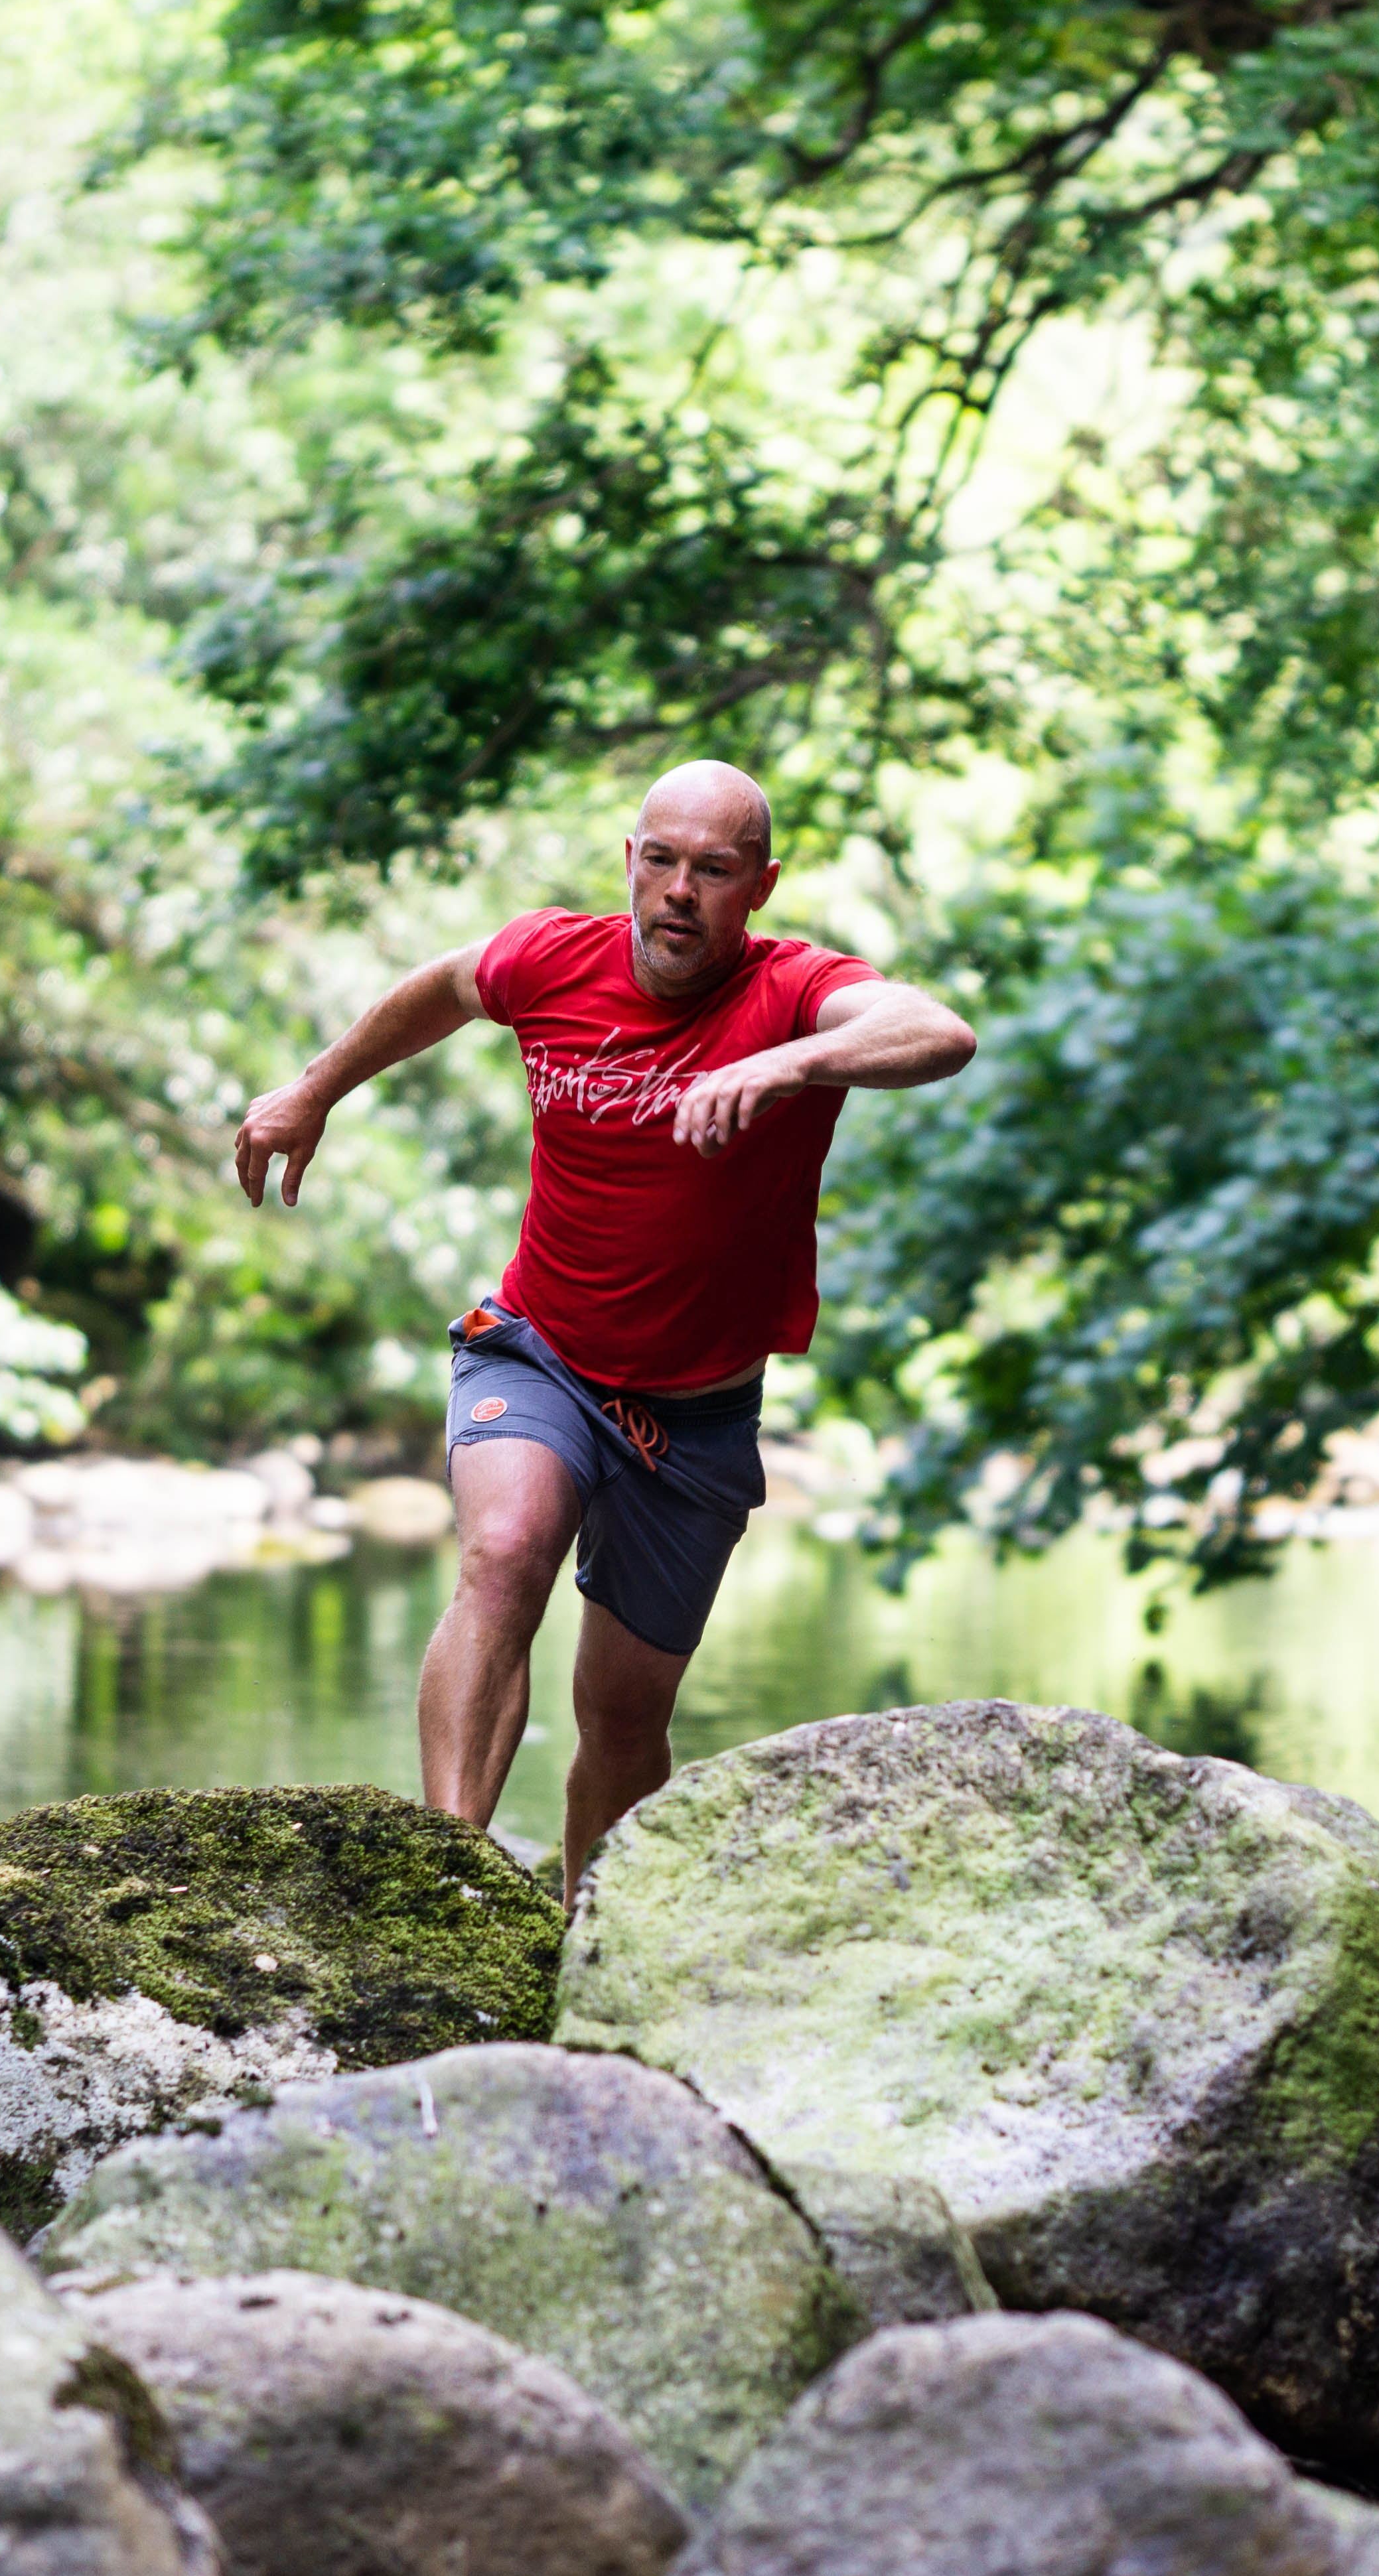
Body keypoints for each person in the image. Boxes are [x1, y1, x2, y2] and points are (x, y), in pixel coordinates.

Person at [230, 760, 978, 1895]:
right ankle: (452, 1885)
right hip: (540, 1354)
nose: (681, 890)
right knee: (506, 1550)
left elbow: (939, 1032)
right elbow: (441, 985)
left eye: (715, 871)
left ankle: (587, 1948)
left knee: (625, 1718)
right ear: (629, 864)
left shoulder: (793, 991)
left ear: (759, 886)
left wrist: (790, 1061)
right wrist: (312, 1090)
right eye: (662, 861)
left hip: (698, 1416)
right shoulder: (551, 958)